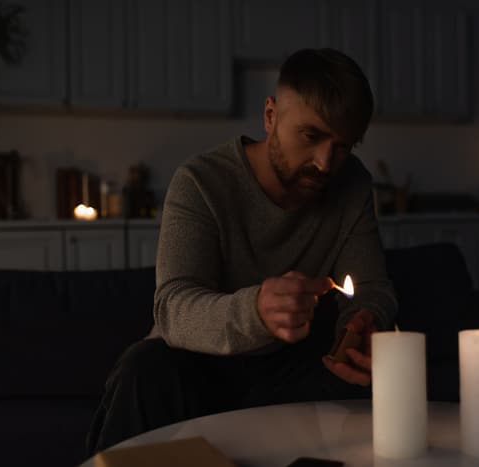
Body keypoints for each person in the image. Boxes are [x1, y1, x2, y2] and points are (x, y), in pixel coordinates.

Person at [86, 48, 398, 455]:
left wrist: (362, 328)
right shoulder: (201, 182)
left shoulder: (352, 184)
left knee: (372, 380)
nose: (325, 163)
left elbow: (373, 287)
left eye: (343, 146)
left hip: (290, 366)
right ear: (270, 116)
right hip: (201, 365)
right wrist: (256, 311)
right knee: (144, 368)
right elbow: (172, 311)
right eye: (311, 136)